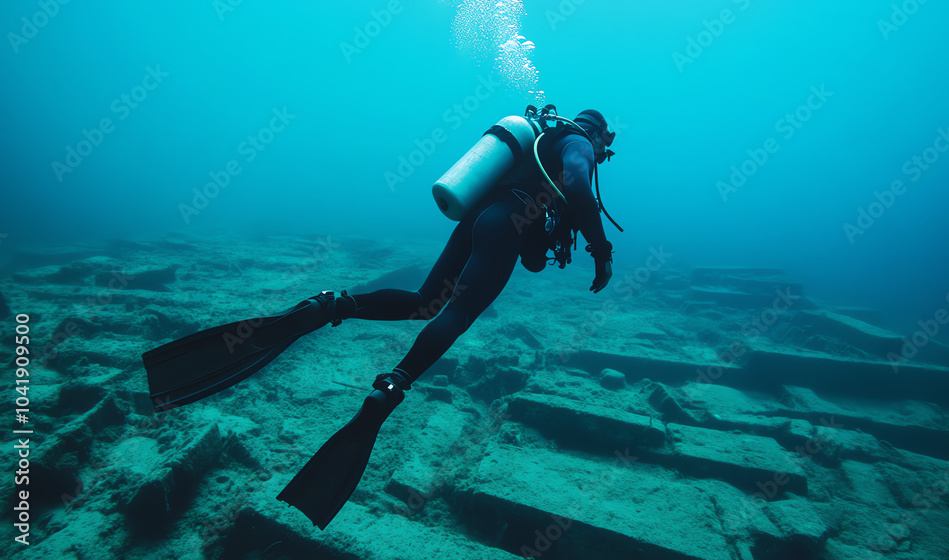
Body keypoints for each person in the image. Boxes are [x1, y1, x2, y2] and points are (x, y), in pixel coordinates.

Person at [141, 107, 620, 529]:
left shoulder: (542, 138)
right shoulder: (577, 140)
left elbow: (537, 251)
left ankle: (333, 305)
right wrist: (600, 249)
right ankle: (392, 386)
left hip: (485, 216)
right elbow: (578, 183)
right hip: (506, 220)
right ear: (598, 134)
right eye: (605, 145)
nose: (602, 153)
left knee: (425, 301)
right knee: (459, 311)